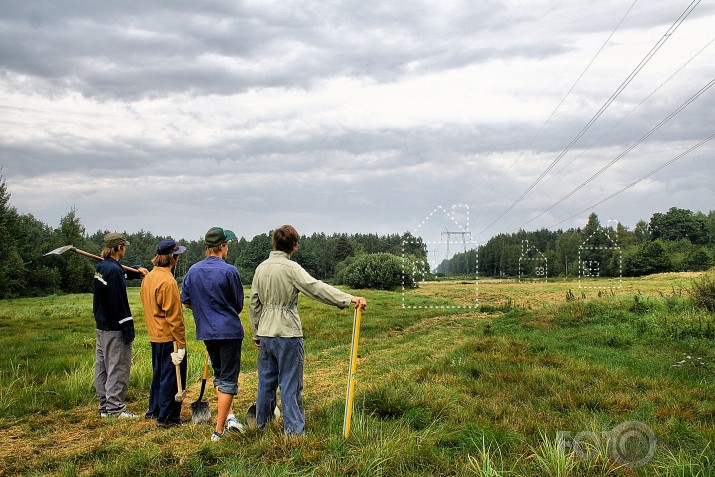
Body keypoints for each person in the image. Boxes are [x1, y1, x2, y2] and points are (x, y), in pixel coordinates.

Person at [249, 224, 367, 436]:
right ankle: (294, 432)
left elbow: (254, 303)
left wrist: (256, 331)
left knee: (265, 383)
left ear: (274, 243)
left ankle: (262, 428)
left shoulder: (261, 268)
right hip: (288, 333)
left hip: (266, 333)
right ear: (294, 245)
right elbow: (316, 288)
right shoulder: (291, 268)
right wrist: (348, 299)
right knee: (290, 383)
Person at [181, 227, 246, 442]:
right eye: (227, 245)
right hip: (229, 330)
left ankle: (230, 416)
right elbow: (238, 304)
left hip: (207, 331)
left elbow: (186, 300)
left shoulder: (192, 271)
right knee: (228, 378)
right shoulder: (230, 271)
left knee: (219, 374)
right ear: (221, 247)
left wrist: (205, 310)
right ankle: (219, 431)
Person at [93, 232, 148, 418]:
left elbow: (121, 273)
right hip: (115, 327)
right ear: (118, 248)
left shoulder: (103, 267)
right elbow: (118, 302)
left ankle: (104, 407)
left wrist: (136, 270)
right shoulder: (113, 271)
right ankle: (115, 408)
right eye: (123, 246)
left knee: (102, 367)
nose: (124, 249)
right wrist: (127, 327)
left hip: (102, 327)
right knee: (118, 367)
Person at [140, 239, 188, 427]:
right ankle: (167, 419)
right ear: (173, 258)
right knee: (170, 378)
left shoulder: (149, 278)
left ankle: (155, 411)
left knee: (159, 375)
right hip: (170, 338)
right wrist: (181, 345)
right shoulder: (168, 282)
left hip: (155, 335)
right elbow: (175, 318)